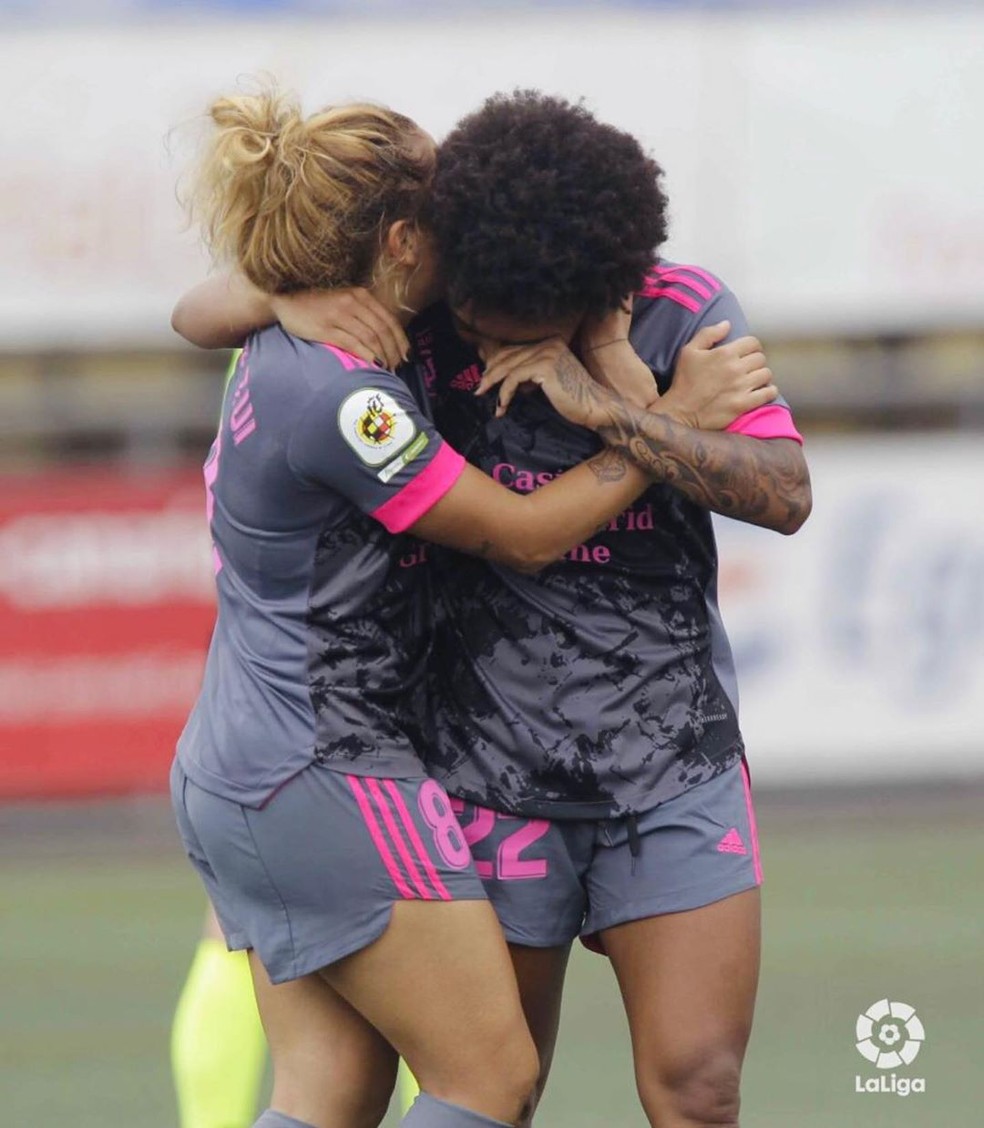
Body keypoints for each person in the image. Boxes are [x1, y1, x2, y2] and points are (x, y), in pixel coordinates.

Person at [171, 86, 774, 1128]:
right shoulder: (349, 389)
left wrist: (272, 298)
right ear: (404, 239)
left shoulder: (299, 340)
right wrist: (664, 422)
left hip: (254, 761)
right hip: (329, 763)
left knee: (331, 1091)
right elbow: (522, 533)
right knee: (490, 1080)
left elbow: (195, 312)